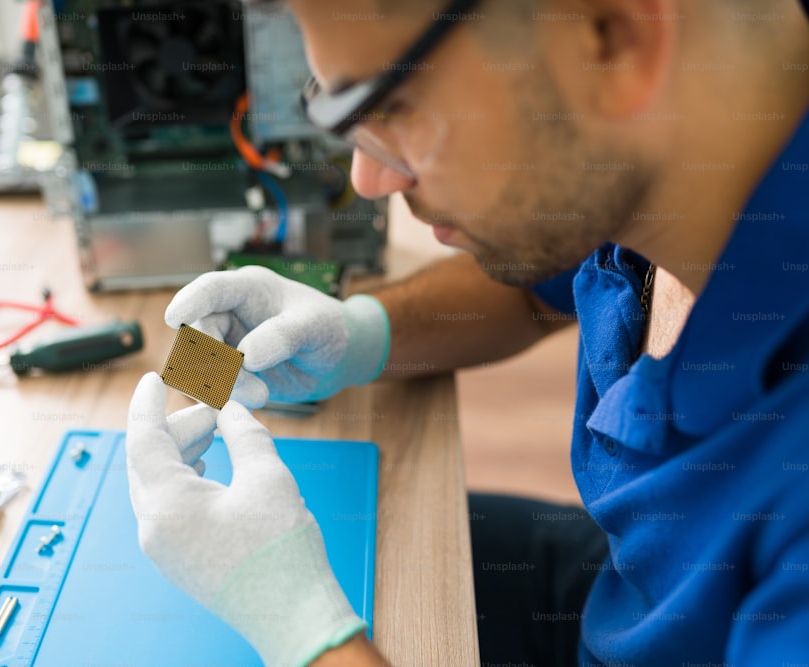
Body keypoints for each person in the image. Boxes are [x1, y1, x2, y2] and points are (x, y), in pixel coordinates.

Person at [124, 0, 809, 665]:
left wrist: (304, 628)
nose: (368, 179)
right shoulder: (667, 140)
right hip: (628, 595)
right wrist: (364, 332)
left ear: (614, 35)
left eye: (390, 104)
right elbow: (545, 283)